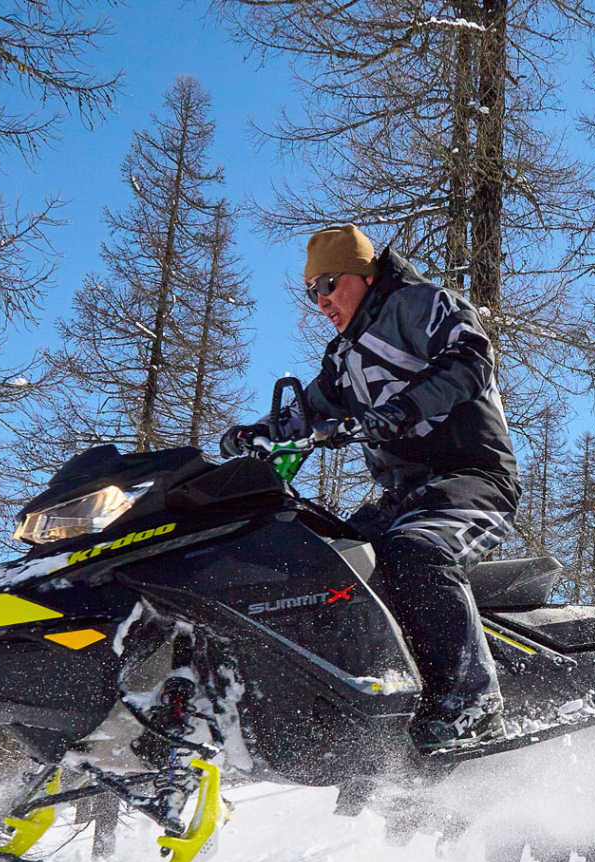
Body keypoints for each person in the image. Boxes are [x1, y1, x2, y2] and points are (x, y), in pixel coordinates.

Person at [221, 224, 521, 753]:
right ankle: (370, 714)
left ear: (362, 273)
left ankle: (472, 705)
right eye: (311, 291)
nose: (321, 301)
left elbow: (471, 359)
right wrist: (256, 434)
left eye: (328, 284)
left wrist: (406, 408)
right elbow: (309, 412)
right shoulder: (343, 356)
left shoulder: (420, 304)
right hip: (405, 496)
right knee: (327, 564)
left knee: (416, 552)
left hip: (472, 476)